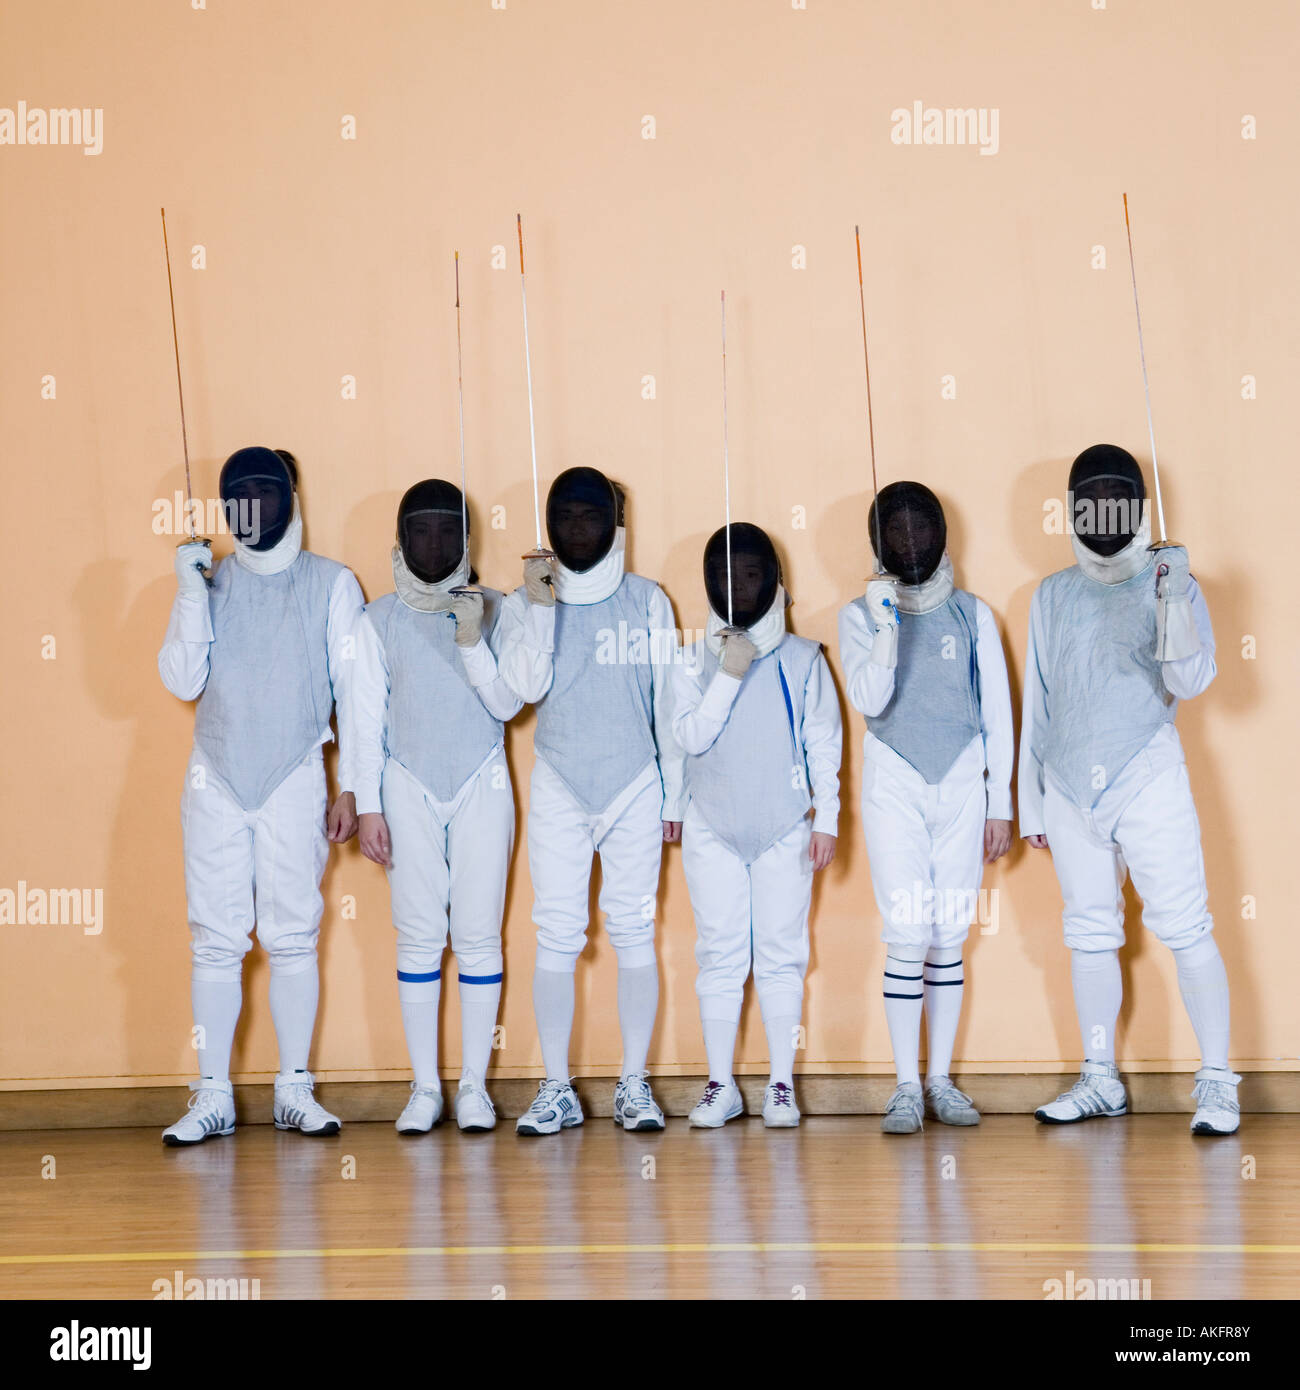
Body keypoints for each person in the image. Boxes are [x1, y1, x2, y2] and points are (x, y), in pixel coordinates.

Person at [1021, 445, 1238, 1135]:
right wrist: (1032, 801)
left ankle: (1217, 1082)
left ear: (1138, 504)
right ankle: (1099, 1080)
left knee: (1186, 925)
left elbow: (1190, 681)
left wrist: (1173, 593)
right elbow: (1041, 699)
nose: (1104, 508)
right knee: (1089, 934)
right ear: (1075, 507)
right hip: (1067, 786)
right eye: (1091, 496)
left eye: (1118, 494)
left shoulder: (1170, 576)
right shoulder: (1052, 593)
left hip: (1146, 773)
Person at [158, 446, 362, 1145]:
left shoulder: (332, 584)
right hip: (214, 775)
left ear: (289, 495)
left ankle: (294, 1091)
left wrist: (354, 786)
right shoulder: (208, 582)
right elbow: (182, 680)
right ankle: (212, 1093)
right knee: (216, 939)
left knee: (292, 934)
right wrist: (188, 593)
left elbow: (358, 696)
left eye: (264, 491)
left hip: (296, 772)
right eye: (237, 494)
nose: (252, 505)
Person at [495, 467, 684, 1135]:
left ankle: (634, 1086)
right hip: (559, 781)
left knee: (635, 931)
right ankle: (556, 1087)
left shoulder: (648, 601)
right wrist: (542, 605)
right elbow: (522, 687)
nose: (579, 526)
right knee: (557, 933)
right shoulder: (526, 601)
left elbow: (670, 701)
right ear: (552, 522)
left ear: (613, 523)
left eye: (590, 515)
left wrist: (675, 797)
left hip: (636, 782)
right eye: (566, 515)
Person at [838, 482, 1013, 1134]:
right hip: (894, 785)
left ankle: (940, 1080)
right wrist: (886, 626)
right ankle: (905, 1086)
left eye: (920, 529)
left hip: (965, 781)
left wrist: (1002, 801)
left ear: (939, 534)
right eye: (897, 532)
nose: (909, 542)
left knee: (948, 935)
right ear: (880, 541)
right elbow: (872, 699)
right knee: (908, 932)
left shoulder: (973, 614)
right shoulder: (858, 615)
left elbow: (997, 710)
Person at [350, 480, 521, 1134]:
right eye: (420, 532)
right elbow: (365, 722)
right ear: (401, 541)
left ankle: (474, 1088)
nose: (433, 544)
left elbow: (508, 703)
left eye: (446, 532)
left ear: (465, 541)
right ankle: (425, 1088)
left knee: (478, 935)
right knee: (420, 934)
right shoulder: (378, 620)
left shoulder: (499, 608)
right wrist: (369, 805)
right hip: (405, 783)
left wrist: (474, 633)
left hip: (484, 777)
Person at [672, 523, 841, 1128]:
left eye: (749, 574)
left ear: (772, 581)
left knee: (781, 954)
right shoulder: (693, 659)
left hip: (785, 825)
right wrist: (728, 671)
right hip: (711, 822)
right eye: (725, 576)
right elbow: (690, 737)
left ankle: (779, 1085)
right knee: (719, 954)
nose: (738, 586)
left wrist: (828, 817)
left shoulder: (802, 658)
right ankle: (720, 1084)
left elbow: (824, 743)